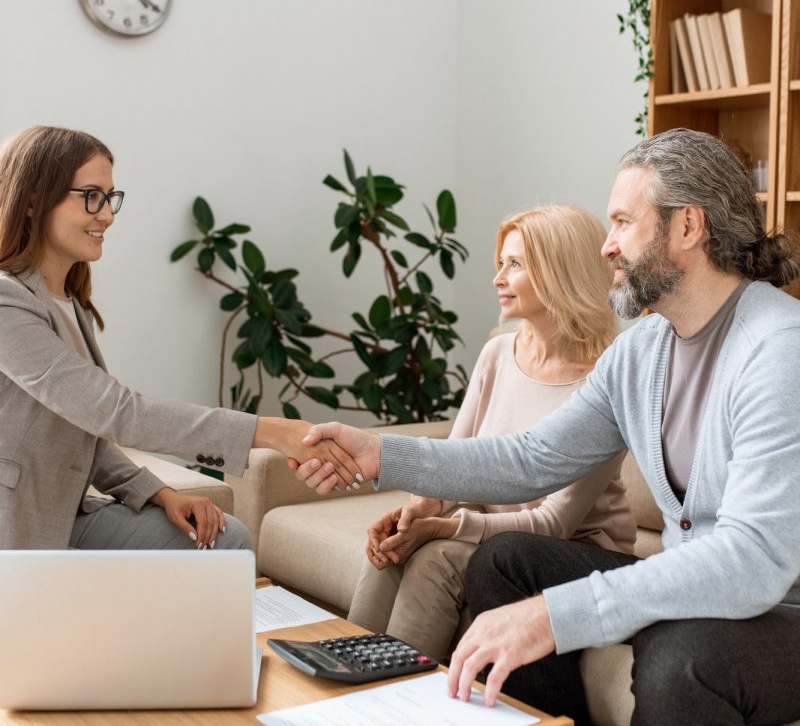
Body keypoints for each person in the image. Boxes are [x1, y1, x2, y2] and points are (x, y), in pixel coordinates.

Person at [292, 128, 800, 726]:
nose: (607, 246)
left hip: (781, 604)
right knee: (505, 561)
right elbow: (532, 458)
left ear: (688, 227)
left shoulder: (778, 349)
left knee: (679, 655)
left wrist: (555, 614)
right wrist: (379, 452)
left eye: (622, 222)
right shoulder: (641, 352)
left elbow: (752, 559)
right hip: (700, 583)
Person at [0, 125, 359, 552]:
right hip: (19, 519)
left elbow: (86, 436)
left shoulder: (71, 303)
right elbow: (116, 412)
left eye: (111, 198)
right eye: (91, 196)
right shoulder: (7, 301)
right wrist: (272, 431)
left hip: (66, 511)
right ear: (33, 201)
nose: (108, 215)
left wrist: (159, 492)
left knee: (224, 540)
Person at [347, 205, 635, 661]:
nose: (498, 278)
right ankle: (342, 678)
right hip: (497, 535)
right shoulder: (499, 353)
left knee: (434, 558)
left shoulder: (608, 378)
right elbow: (455, 464)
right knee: (392, 548)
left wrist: (444, 527)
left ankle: (393, 695)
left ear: (559, 272)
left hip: (565, 553)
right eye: (500, 264)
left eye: (515, 264)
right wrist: (416, 512)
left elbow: (552, 524)